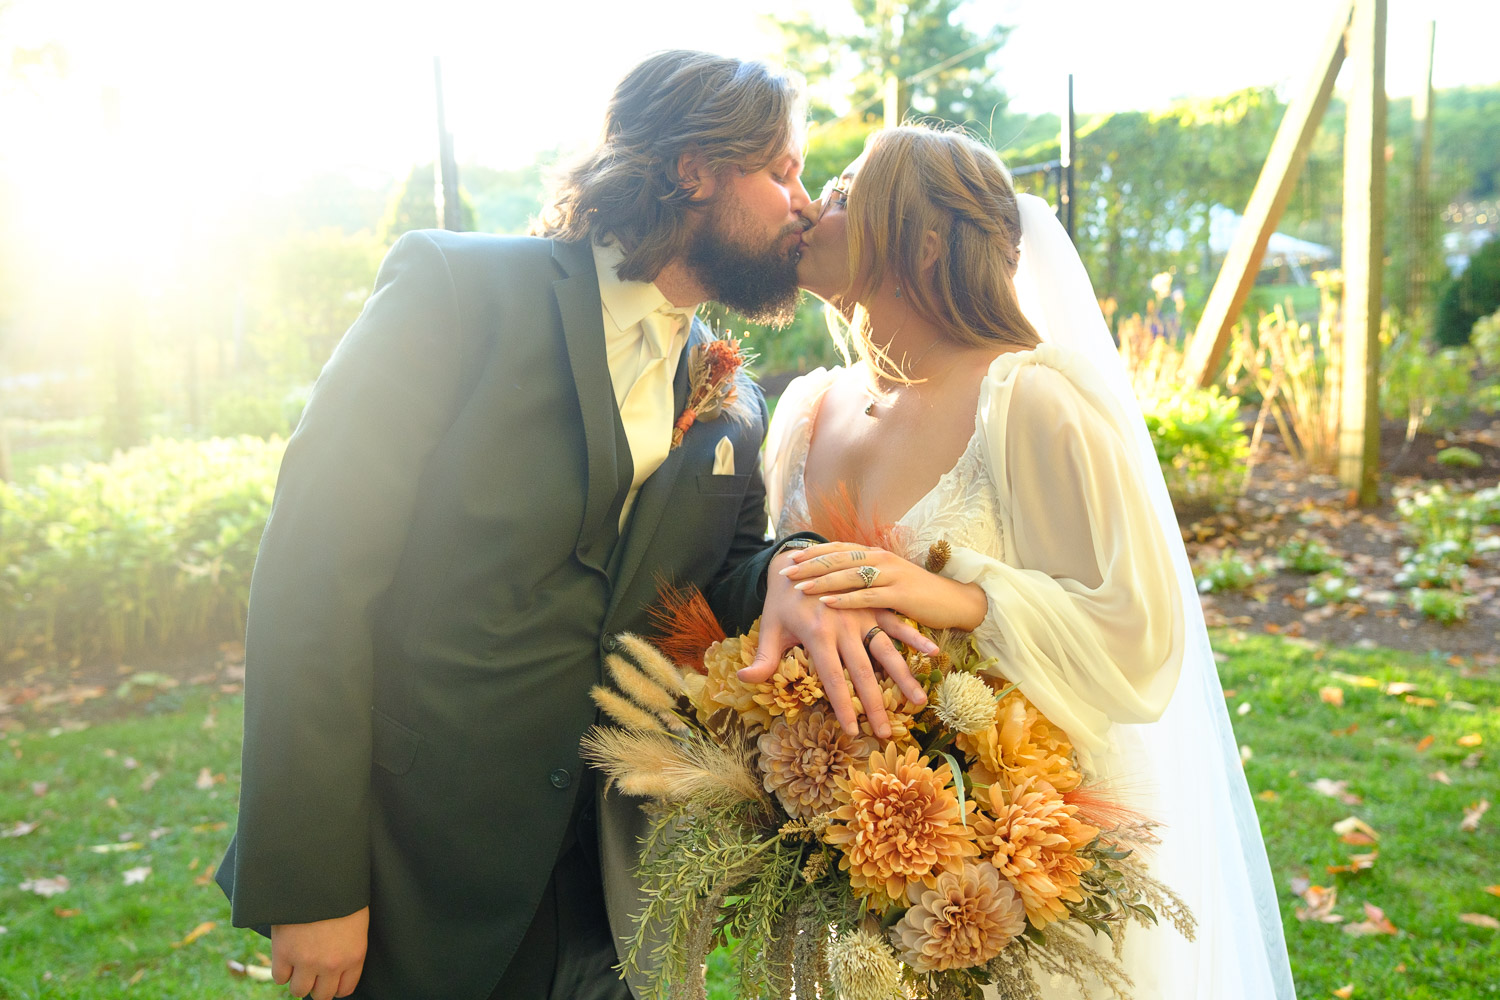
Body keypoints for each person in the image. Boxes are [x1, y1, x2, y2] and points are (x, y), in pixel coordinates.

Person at [214, 50, 922, 1000]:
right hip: (415, 869)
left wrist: (797, 567)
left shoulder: (736, 399)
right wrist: (313, 883)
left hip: (614, 897)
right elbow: (313, 578)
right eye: (782, 172)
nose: (803, 205)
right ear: (695, 170)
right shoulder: (453, 294)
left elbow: (721, 578)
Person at [743, 125, 1298, 997]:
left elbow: (1139, 636)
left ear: (924, 241)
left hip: (1008, 871)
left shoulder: (1028, 401)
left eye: (845, 193)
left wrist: (963, 597)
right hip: (834, 856)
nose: (813, 206)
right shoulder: (807, 411)